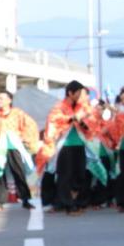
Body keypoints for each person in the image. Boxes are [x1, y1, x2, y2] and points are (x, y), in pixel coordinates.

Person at [42, 81, 103, 214]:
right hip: (64, 146)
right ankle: (69, 206)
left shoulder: (83, 108)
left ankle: (73, 202)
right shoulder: (59, 107)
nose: (81, 96)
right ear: (70, 93)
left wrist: (80, 120)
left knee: (80, 176)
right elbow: (53, 122)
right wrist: (72, 118)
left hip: (80, 145)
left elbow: (91, 127)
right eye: (79, 93)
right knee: (65, 176)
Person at [0, 91, 39, 209]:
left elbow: (30, 125)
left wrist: (22, 137)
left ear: (9, 100)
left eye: (2, 98)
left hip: (14, 147)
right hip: (0, 148)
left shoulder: (18, 113)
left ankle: (25, 199)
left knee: (19, 172)